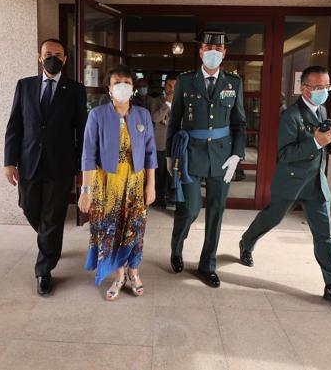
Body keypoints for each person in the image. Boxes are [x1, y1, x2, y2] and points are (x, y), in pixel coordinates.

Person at [239, 65, 331, 302]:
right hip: (291, 182)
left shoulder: (322, 109)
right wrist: (317, 143)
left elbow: (321, 140)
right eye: (318, 87)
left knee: (324, 234)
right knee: (272, 218)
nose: (323, 91)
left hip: (315, 182)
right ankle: (246, 242)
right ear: (304, 88)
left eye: (326, 86)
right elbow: (284, 154)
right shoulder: (290, 115)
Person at [4, 38, 87, 296]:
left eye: (58, 54)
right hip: (28, 161)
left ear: (65, 59)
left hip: (61, 164)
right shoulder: (25, 86)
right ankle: (52, 239)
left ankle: (44, 269)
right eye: (48, 53)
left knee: (51, 216)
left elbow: (82, 130)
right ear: (40, 57)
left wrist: (82, 167)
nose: (53, 57)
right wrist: (9, 161)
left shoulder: (75, 90)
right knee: (28, 206)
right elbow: (15, 125)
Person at [166, 30, 246, 288]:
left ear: (224, 53)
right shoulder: (185, 81)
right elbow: (174, 120)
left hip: (222, 156)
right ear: (200, 52)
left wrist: (237, 153)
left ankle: (207, 264)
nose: (213, 53)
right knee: (189, 209)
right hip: (190, 154)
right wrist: (170, 156)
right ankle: (176, 249)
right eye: (207, 49)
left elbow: (240, 123)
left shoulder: (234, 83)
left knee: (216, 211)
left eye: (218, 49)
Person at [78, 65, 157, 301]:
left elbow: (151, 152)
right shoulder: (97, 115)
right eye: (116, 82)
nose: (122, 86)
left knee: (134, 228)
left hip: (135, 182)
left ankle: (134, 270)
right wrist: (86, 190)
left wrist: (150, 184)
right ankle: (120, 275)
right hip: (107, 184)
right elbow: (88, 155)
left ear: (133, 88)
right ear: (109, 88)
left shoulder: (142, 115)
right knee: (112, 229)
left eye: (127, 82)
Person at [149, 75, 176, 207]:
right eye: (169, 86)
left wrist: (166, 120)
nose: (172, 89)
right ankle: (160, 199)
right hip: (160, 143)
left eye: (175, 86)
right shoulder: (156, 101)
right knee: (160, 174)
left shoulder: (182, 100)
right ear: (165, 86)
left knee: (173, 173)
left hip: (175, 144)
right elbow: (155, 118)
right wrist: (167, 104)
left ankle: (173, 197)